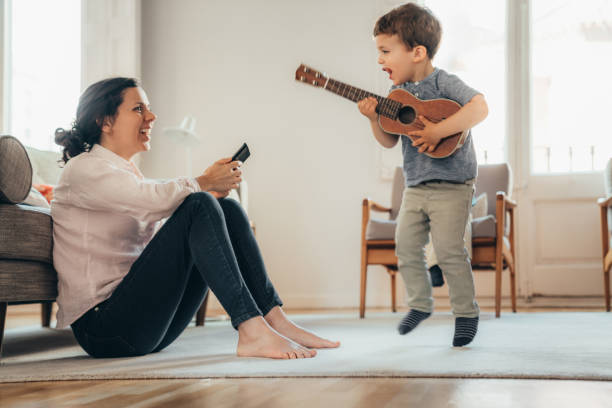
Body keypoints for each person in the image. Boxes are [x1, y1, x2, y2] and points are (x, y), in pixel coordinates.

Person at [51, 77, 340, 359]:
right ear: (105, 121)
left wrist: (208, 194)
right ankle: (251, 329)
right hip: (105, 329)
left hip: (143, 325)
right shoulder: (83, 169)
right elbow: (149, 199)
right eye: (138, 109)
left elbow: (157, 215)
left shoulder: (125, 173)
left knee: (223, 208)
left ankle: (274, 318)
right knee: (200, 202)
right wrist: (203, 182)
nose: (151, 116)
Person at [357, 3, 488, 346]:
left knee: (448, 251)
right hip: (415, 186)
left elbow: (479, 107)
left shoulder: (444, 82)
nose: (380, 59)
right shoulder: (395, 96)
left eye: (386, 51)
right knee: (406, 245)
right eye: (379, 52)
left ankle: (466, 313)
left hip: (453, 186)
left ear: (417, 52)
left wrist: (437, 131)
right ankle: (420, 303)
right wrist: (373, 118)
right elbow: (388, 141)